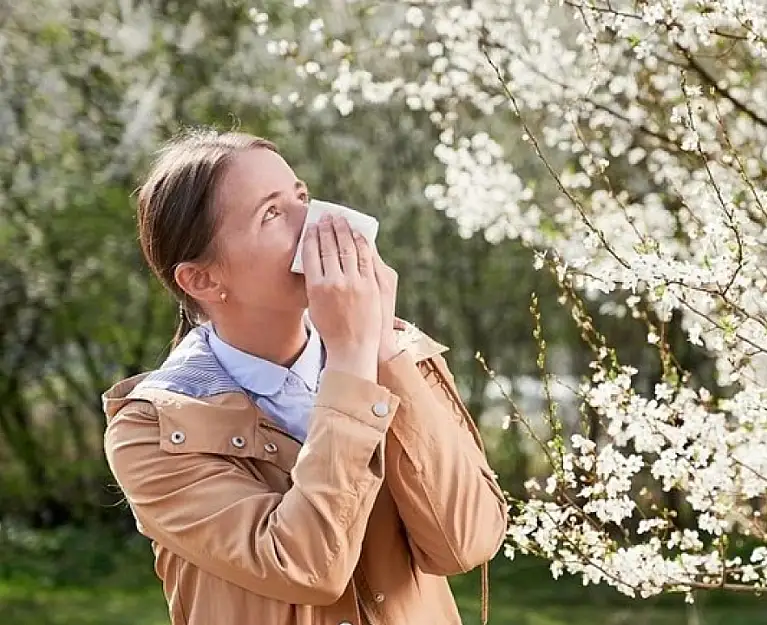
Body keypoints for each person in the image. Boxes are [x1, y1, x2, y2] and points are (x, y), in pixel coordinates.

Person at [101, 129, 508, 625]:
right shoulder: (151, 433)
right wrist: (353, 361)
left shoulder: (401, 357)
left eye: (302, 196)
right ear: (203, 280)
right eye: (272, 213)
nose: (320, 222)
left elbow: (466, 542)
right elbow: (308, 567)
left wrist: (379, 351)